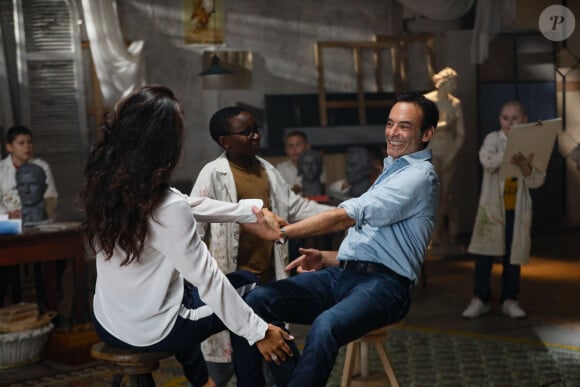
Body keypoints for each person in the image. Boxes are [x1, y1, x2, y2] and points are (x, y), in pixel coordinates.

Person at [81, 85, 293, 387]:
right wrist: (259, 332)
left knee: (182, 291)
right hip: (153, 330)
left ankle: (202, 380)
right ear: (165, 141)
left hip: (107, 322)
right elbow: (210, 280)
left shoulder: (108, 184)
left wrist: (250, 212)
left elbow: (185, 203)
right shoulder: (167, 205)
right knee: (251, 287)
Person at [230, 92, 440, 387]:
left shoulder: (419, 175)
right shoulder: (393, 170)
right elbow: (383, 242)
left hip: (386, 288)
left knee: (325, 326)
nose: (393, 133)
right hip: (344, 274)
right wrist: (329, 258)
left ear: (427, 133)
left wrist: (282, 232)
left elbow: (347, 216)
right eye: (390, 124)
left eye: (404, 126)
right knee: (256, 301)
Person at [190, 106, 333, 386]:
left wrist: (341, 214)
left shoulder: (266, 170)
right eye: (247, 132)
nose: (256, 136)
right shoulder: (213, 174)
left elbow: (297, 207)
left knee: (275, 355)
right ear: (225, 141)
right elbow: (194, 229)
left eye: (257, 130)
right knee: (229, 365)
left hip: (266, 284)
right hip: (231, 287)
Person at [462, 100, 545, 320]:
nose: (509, 122)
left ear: (524, 119)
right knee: (484, 256)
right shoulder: (492, 139)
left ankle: (510, 299)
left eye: (514, 118)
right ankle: (481, 298)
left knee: (512, 256)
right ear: (500, 120)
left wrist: (525, 167)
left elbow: (536, 180)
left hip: (516, 210)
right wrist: (513, 155)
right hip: (492, 208)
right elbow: (487, 162)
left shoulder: (532, 143)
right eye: (505, 118)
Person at [0, 125, 58, 307]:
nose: (27, 147)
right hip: (8, 224)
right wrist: (9, 215)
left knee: (54, 255)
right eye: (21, 143)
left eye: (29, 142)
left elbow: (51, 197)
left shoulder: (41, 166)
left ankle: (49, 302)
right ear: (9, 146)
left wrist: (36, 214)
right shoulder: (1, 170)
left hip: (37, 222)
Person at [424, 67, 465, 247]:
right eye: (452, 83)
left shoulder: (455, 103)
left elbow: (461, 134)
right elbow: (421, 129)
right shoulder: (426, 100)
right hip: (430, 153)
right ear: (443, 83)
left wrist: (452, 155)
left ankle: (443, 234)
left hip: (448, 152)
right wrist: (443, 125)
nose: (454, 87)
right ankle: (432, 235)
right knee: (431, 195)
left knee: (446, 195)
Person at [276, 130, 327, 194]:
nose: (294, 149)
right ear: (286, 150)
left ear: (307, 147)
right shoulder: (280, 169)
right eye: (290, 145)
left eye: (298, 144)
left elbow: (322, 188)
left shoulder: (316, 165)